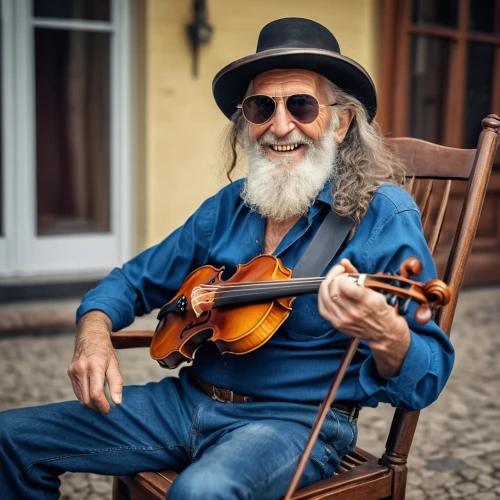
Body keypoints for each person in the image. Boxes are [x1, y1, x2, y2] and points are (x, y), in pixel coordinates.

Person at [0, 18, 454, 499]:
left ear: (340, 123)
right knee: (11, 438)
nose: (280, 126)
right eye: (261, 107)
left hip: (293, 422)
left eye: (301, 105)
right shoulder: (230, 205)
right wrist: (93, 334)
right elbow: (131, 281)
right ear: (246, 123)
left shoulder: (382, 213)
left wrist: (387, 333)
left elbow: (426, 376)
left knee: (202, 491)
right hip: (186, 403)